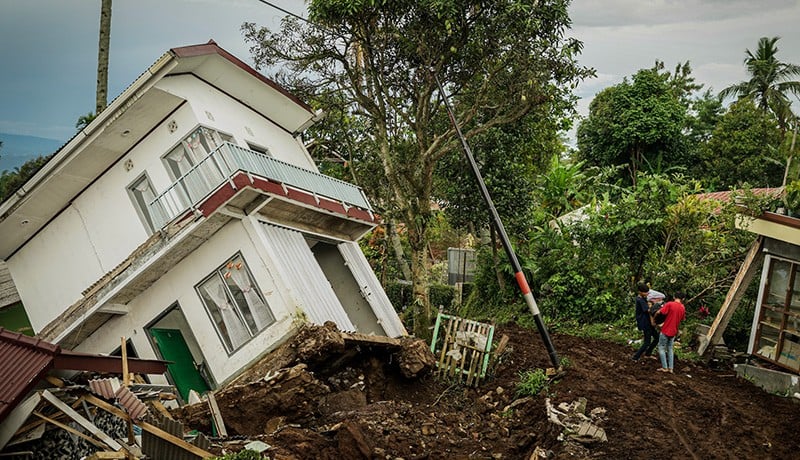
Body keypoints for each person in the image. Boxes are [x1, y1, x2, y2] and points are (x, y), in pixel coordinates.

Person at [656, 291, 687, 374]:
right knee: (670, 348)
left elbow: (661, 312)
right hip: (674, 331)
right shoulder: (682, 307)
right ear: (683, 299)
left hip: (666, 329)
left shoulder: (670, 304)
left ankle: (664, 367)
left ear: (674, 297)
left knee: (661, 347)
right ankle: (671, 368)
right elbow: (683, 319)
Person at [632, 284, 658, 361]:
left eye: (647, 292)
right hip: (645, 323)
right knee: (647, 342)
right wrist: (658, 307)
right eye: (645, 292)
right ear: (640, 292)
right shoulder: (640, 300)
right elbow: (648, 310)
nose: (647, 293)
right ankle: (635, 357)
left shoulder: (643, 298)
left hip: (648, 322)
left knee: (657, 338)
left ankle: (648, 353)